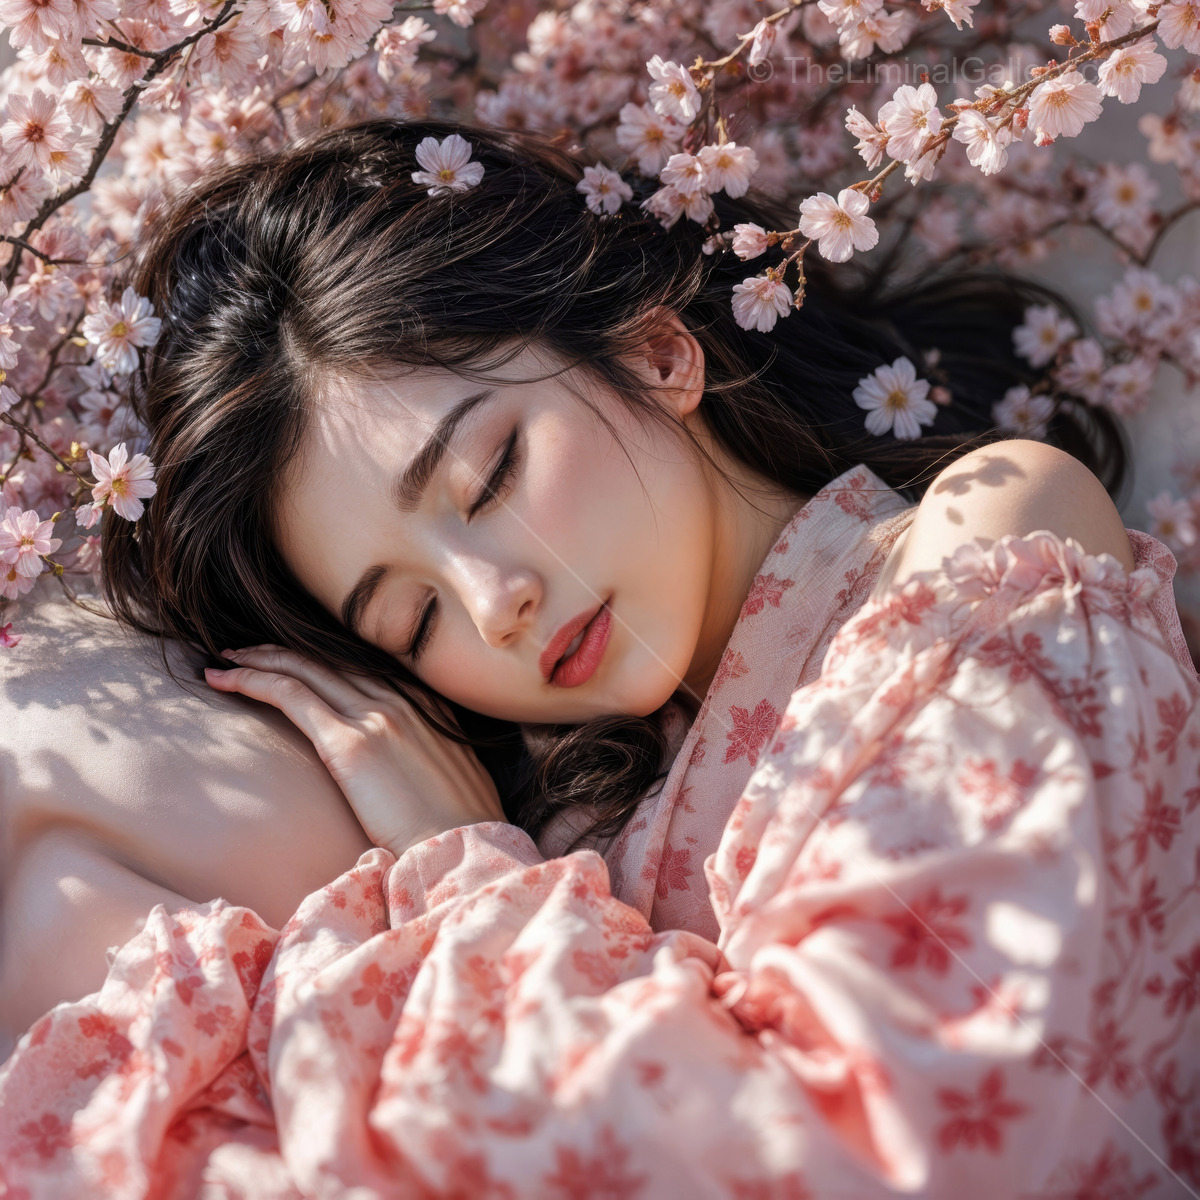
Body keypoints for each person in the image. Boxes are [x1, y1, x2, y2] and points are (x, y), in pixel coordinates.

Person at [1, 119, 1197, 1196]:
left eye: (494, 476)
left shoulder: (982, 532)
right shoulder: (582, 844)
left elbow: (910, 1124)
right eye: (410, 621)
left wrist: (471, 881)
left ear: (660, 353)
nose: (495, 603)